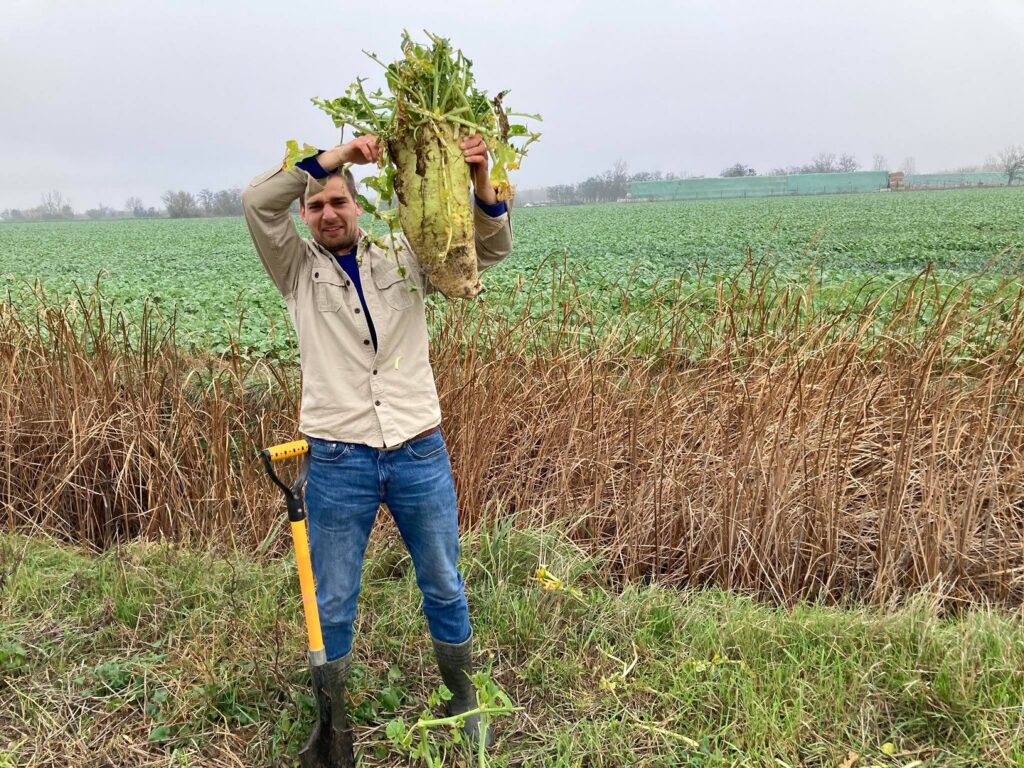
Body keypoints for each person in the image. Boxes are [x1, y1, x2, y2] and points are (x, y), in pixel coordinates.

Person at [242, 132, 511, 755]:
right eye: (316, 206)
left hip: (418, 449)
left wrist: (478, 183)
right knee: (331, 597)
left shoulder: (401, 252)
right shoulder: (296, 270)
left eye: (338, 202)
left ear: (358, 207)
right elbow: (257, 202)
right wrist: (331, 160)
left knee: (443, 580)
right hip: (338, 458)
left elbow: (486, 252)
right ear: (305, 217)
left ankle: (463, 701)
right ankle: (332, 723)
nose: (329, 213)